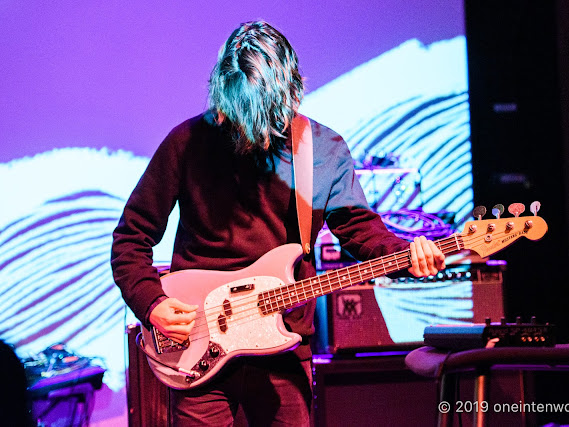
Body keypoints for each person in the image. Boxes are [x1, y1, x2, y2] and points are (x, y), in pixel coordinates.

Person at [111, 20, 445, 426]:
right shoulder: (188, 142)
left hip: (284, 346)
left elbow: (357, 226)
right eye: (236, 111)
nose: (245, 128)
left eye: (260, 114)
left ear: (292, 92)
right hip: (198, 347)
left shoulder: (321, 150)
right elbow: (131, 237)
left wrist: (404, 253)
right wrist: (153, 303)